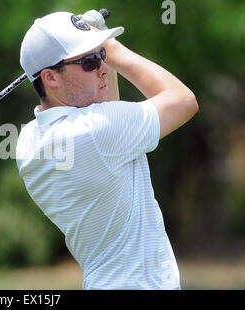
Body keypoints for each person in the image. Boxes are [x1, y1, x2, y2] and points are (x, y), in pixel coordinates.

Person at [15, 10, 198, 290]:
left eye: (100, 57)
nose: (102, 68)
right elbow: (184, 100)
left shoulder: (29, 141)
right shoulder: (94, 134)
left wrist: (94, 44)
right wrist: (111, 48)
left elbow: (106, 111)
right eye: (89, 62)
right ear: (51, 78)